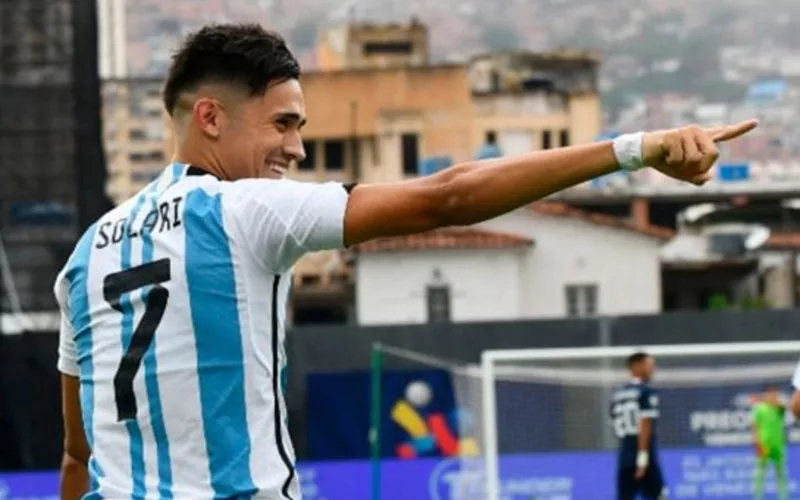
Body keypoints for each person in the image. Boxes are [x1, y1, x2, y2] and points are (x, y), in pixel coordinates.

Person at [55, 22, 757, 500]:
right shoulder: (246, 212)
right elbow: (447, 197)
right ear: (210, 118)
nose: (297, 150)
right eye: (284, 124)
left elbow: (79, 459)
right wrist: (636, 149)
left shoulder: (84, 259)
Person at [609, 352, 665, 500]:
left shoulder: (618, 394)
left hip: (625, 456)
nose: (653, 369)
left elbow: (614, 421)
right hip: (644, 457)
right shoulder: (646, 392)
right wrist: (642, 457)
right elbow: (645, 422)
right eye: (650, 365)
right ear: (637, 366)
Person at [752, 384, 789, 500]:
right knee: (761, 473)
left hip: (778, 444)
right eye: (771, 394)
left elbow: (785, 408)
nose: (773, 396)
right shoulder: (760, 408)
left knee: (781, 473)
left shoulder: (779, 408)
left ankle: (784, 497)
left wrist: (776, 402)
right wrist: (757, 442)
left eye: (776, 394)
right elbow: (755, 426)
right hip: (765, 444)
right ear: (767, 395)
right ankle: (758, 497)